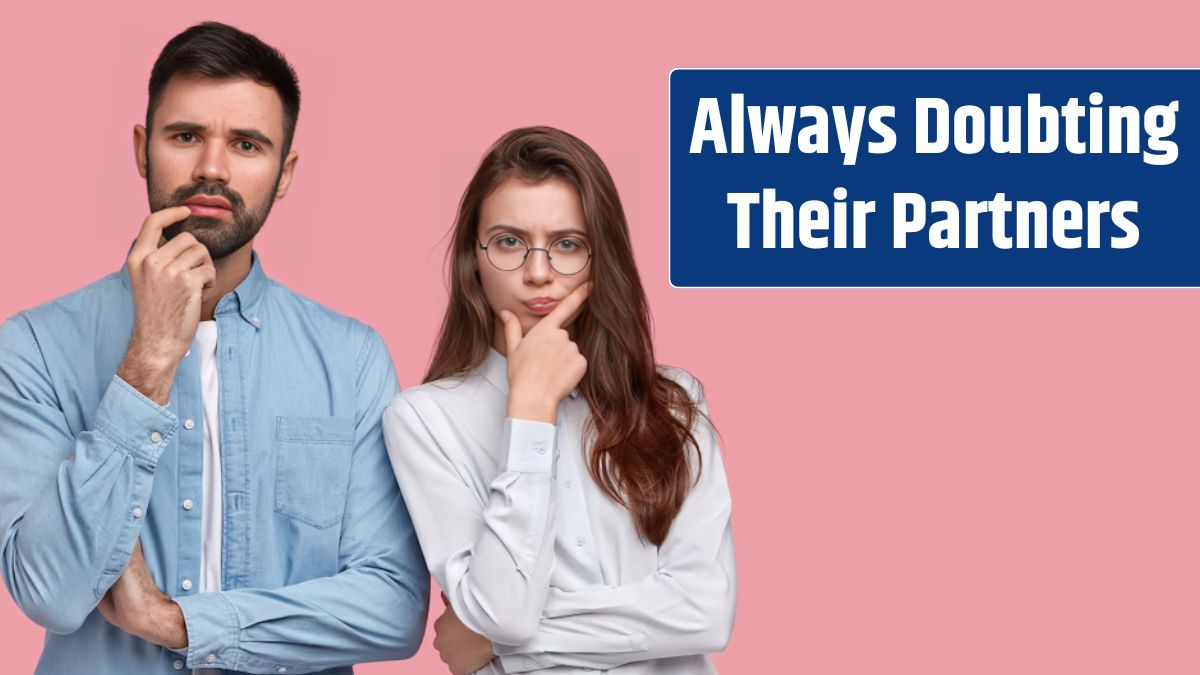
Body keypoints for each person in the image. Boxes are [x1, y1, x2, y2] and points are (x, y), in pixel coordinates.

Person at [0, 22, 428, 674]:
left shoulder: (352, 359)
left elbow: (394, 606)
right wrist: (146, 358)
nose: (212, 167)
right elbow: (50, 592)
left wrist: (181, 624)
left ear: (284, 173)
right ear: (142, 149)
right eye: (186, 135)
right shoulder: (33, 347)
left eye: (247, 144)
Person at [383, 126, 736, 674]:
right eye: (509, 242)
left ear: (601, 258)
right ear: (472, 260)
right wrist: (530, 413)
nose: (539, 272)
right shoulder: (424, 420)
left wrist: (498, 646)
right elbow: (504, 611)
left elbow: (705, 612)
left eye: (568, 244)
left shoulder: (676, 401)